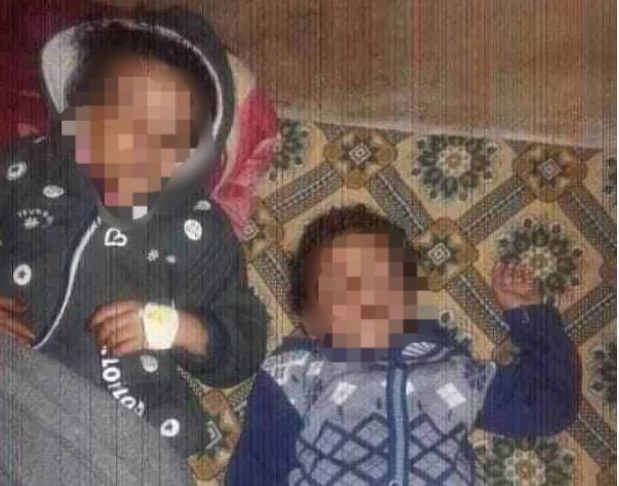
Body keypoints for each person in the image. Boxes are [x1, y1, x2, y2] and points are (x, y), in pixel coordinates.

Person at [0, 8, 268, 458]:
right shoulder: (19, 170)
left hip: (117, 434)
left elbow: (245, 340)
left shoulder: (198, 228)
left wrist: (174, 327)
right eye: (122, 117)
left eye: (168, 136)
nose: (140, 146)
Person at [226, 204, 579, 486]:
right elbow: (256, 470)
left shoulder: (455, 372)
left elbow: (550, 403)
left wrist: (529, 317)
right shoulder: (294, 374)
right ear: (312, 319)